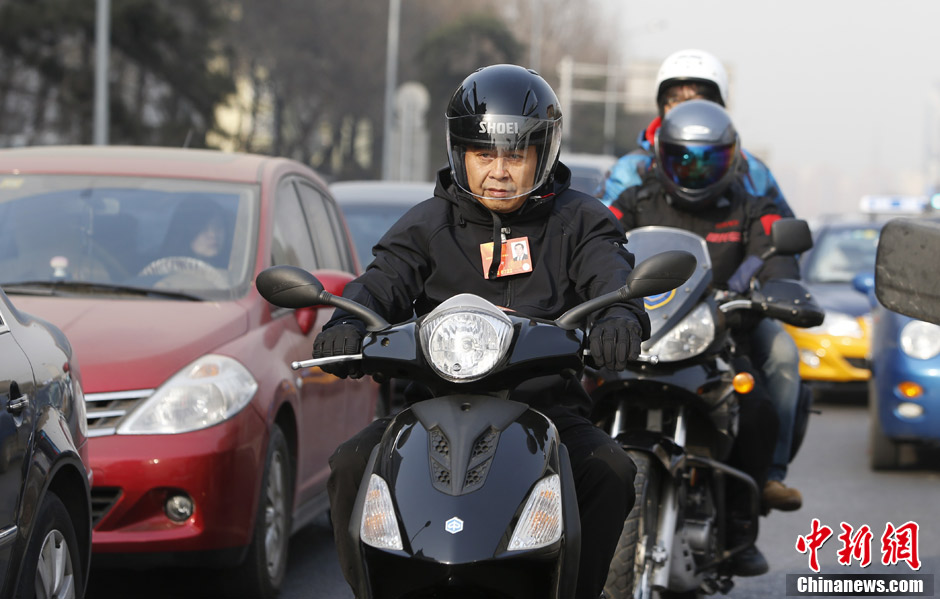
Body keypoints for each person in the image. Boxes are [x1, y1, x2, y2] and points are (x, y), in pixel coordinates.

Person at [314, 64, 649, 599]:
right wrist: (348, 321)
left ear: (543, 154)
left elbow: (613, 277)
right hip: (428, 411)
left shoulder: (580, 220)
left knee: (609, 470)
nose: (498, 170)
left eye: (515, 155)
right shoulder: (427, 223)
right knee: (350, 463)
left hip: (547, 413)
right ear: (459, 153)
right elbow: (380, 281)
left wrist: (619, 320)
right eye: (483, 154)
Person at [603, 47, 804, 515]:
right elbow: (600, 233)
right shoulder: (633, 175)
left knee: (779, 357)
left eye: (697, 96)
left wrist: (762, 288)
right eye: (675, 97)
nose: (684, 104)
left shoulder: (750, 174)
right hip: (647, 308)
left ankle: (765, 479)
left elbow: (774, 239)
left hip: (723, 311)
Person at [601, 48, 794, 220]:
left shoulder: (750, 170)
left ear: (718, 105)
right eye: (675, 100)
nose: (687, 109)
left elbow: (780, 235)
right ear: (662, 107)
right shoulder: (632, 169)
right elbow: (600, 234)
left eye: (697, 101)